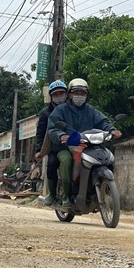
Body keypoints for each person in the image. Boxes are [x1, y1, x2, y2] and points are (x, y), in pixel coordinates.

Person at [47, 78, 122, 208]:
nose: (79, 96)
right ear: (70, 95)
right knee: (66, 161)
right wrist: (62, 136)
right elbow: (52, 128)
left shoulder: (91, 110)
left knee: (106, 157)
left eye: (83, 93)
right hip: (66, 146)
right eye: (77, 93)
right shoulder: (60, 110)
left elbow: (103, 121)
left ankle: (97, 189)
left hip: (88, 146)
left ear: (86, 95)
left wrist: (112, 130)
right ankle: (67, 196)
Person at [35, 80, 68, 206]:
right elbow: (41, 133)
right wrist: (39, 150)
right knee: (52, 164)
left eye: (61, 93)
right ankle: (52, 194)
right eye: (56, 94)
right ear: (51, 96)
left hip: (74, 145)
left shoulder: (73, 109)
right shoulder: (46, 113)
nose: (59, 97)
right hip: (55, 147)